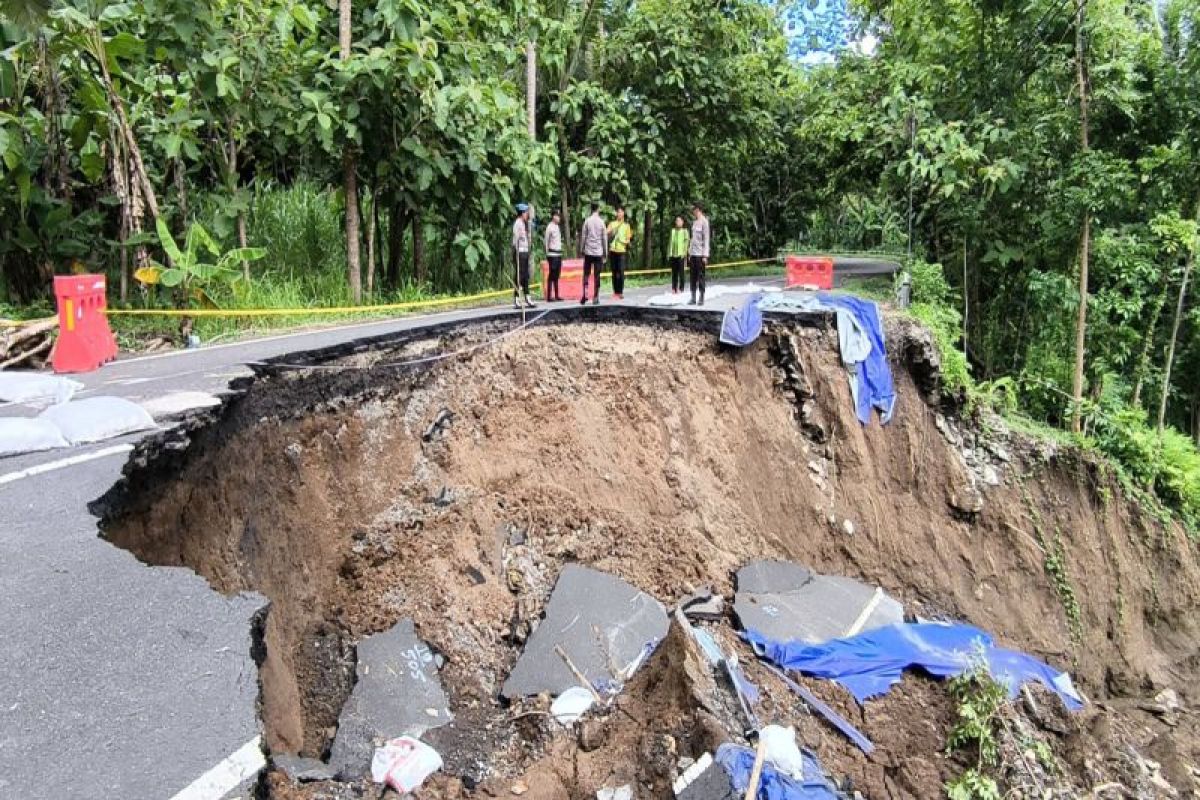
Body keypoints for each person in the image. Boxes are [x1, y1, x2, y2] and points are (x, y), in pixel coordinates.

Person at [578, 202, 607, 305]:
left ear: (591, 209)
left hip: (588, 252)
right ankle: (596, 297)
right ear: (598, 209)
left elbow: (583, 237)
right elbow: (604, 238)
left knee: (586, 274)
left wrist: (582, 249)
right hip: (598, 252)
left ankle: (585, 294)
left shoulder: (587, 221)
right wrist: (605, 253)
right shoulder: (601, 222)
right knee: (597, 275)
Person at [606, 206, 633, 300]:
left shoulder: (627, 226)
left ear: (624, 214)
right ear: (616, 214)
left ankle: (620, 292)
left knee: (621, 272)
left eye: (621, 212)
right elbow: (606, 232)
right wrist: (609, 232)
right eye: (618, 212)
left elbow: (628, 239)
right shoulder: (612, 224)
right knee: (614, 272)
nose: (619, 214)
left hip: (621, 252)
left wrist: (623, 241)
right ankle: (615, 292)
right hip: (613, 251)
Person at [511, 203, 536, 309]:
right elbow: (515, 240)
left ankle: (527, 296)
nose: (527, 214)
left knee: (526, 276)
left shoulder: (525, 223)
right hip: (520, 252)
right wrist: (515, 252)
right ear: (522, 213)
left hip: (525, 252)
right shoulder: (518, 223)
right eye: (526, 213)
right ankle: (516, 298)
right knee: (519, 276)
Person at [688, 202, 710, 306]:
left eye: (694, 210)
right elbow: (692, 239)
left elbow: (706, 239)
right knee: (692, 276)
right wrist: (689, 252)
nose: (693, 212)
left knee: (701, 276)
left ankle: (701, 297)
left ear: (698, 210)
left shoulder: (704, 222)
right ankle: (693, 297)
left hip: (700, 254)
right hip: (693, 254)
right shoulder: (694, 222)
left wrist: (705, 255)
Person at [543, 209, 564, 302]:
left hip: (558, 253)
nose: (559, 218)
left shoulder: (557, 227)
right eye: (557, 216)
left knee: (557, 274)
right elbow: (546, 241)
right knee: (552, 274)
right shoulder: (550, 227)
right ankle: (549, 296)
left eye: (559, 216)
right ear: (553, 216)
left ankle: (556, 295)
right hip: (552, 253)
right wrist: (547, 253)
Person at [668, 215, 689, 294]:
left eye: (679, 221)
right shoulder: (673, 231)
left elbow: (686, 242)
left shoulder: (685, 231)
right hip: (673, 254)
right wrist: (669, 253)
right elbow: (670, 243)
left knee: (681, 273)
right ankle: (674, 288)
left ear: (682, 222)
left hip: (681, 254)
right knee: (674, 273)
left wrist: (685, 252)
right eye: (676, 221)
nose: (677, 222)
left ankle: (681, 288)